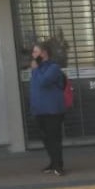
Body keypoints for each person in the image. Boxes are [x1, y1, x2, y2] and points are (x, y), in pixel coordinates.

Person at [29, 41, 67, 176]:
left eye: (35, 52)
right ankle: (52, 162)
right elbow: (35, 88)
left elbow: (44, 82)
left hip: (52, 110)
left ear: (44, 53)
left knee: (54, 138)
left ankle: (59, 165)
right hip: (39, 110)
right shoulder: (36, 69)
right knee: (45, 139)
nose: (33, 55)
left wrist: (35, 69)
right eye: (33, 52)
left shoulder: (53, 68)